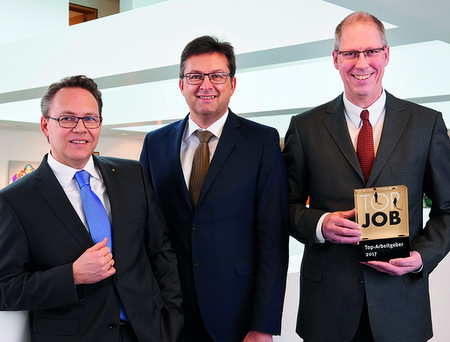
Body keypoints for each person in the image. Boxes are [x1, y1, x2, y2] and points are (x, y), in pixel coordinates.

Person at [283, 11, 450, 342]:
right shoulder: (305, 128)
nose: (362, 63)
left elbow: (448, 208)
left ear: (386, 55)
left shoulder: (426, 124)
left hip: (400, 304)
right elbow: (283, 206)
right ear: (335, 59)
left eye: (371, 51)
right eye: (350, 53)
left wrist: (420, 258)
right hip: (327, 308)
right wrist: (319, 225)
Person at [0, 75, 183, 342]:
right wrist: (71, 276)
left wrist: (172, 317)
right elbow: (5, 288)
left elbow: (160, 251)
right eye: (67, 118)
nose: (80, 128)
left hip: (147, 332)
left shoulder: (132, 174)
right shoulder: (15, 200)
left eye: (90, 118)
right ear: (45, 126)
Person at [140, 35, 289, 342]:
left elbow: (273, 239)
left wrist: (263, 325)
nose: (205, 85)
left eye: (217, 76)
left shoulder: (261, 142)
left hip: (236, 314)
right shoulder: (155, 144)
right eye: (195, 76)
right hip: (169, 312)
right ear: (181, 84)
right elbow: (144, 227)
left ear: (232, 84)